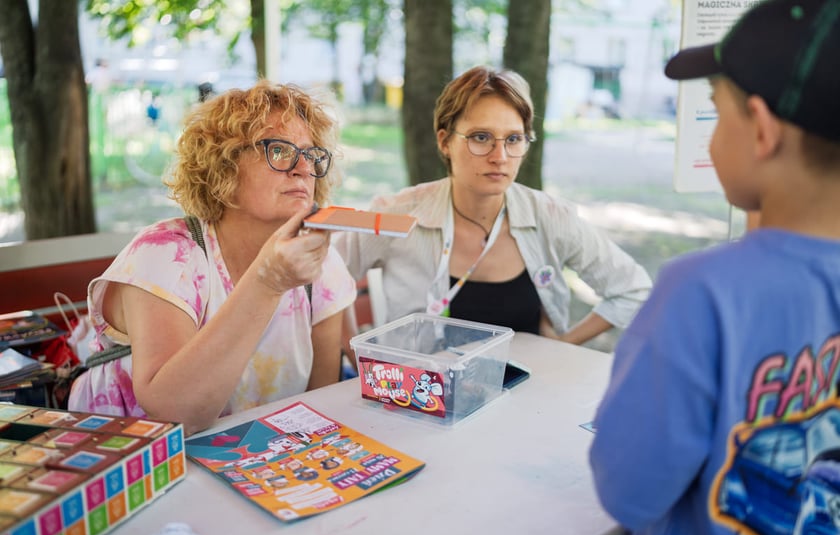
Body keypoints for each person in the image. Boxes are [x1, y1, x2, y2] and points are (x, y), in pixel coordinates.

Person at [589, 1, 840, 535]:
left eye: (716, 111)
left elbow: (628, 492)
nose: (712, 133)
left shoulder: (701, 292)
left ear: (762, 130)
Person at [68, 80, 356, 436]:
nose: (303, 169)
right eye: (279, 150)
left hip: (249, 459)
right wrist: (268, 281)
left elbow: (316, 409)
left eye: (312, 155)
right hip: (122, 458)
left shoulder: (321, 266)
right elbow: (174, 415)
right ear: (224, 166)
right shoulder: (167, 255)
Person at [334, 66, 651, 348]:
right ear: (444, 141)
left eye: (513, 139)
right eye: (481, 137)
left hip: (527, 401)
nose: (499, 156)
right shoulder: (399, 214)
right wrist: (359, 356)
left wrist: (563, 346)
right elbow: (323, 282)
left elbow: (632, 289)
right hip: (423, 404)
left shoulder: (550, 216)